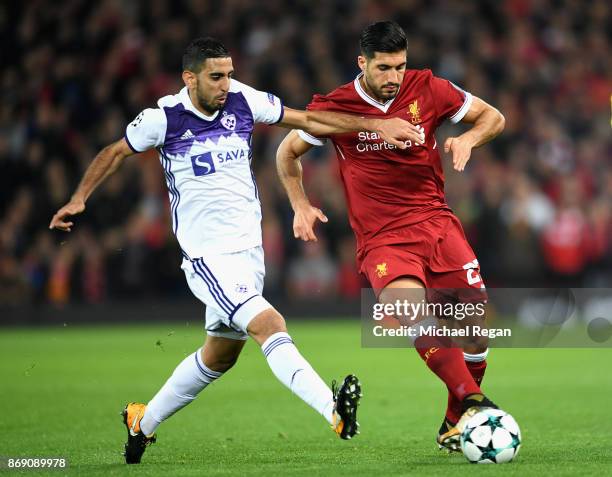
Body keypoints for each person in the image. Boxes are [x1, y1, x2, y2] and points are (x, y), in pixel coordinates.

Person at [49, 37, 424, 464]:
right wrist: (80, 198)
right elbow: (114, 152)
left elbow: (307, 119)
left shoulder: (243, 100)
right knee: (269, 323)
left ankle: (142, 422)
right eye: (216, 77)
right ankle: (333, 410)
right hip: (208, 257)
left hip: (249, 252)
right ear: (189, 78)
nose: (227, 84)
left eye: (229, 73)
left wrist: (373, 126)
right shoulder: (163, 118)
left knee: (220, 355)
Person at [275, 21, 506, 452]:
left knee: (475, 331)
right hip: (383, 237)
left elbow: (494, 117)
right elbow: (286, 152)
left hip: (437, 223)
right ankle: (473, 402)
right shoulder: (335, 107)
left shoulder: (429, 88)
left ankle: (454, 422)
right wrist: (300, 204)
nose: (393, 78)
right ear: (362, 63)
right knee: (405, 305)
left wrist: (469, 139)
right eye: (383, 68)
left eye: (399, 67)